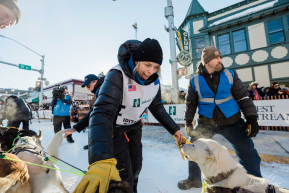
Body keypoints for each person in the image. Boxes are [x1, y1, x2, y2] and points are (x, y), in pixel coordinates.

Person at [74, 38, 183, 193]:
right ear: (137, 60)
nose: (151, 71)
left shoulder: (154, 82)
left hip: (135, 128)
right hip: (116, 130)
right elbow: (101, 112)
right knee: (123, 176)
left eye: (156, 67)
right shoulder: (117, 75)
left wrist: (174, 129)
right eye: (147, 64)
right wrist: (100, 159)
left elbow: (157, 107)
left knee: (136, 167)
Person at [178, 46, 262, 190]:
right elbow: (190, 103)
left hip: (232, 121)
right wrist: (188, 123)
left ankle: (255, 184)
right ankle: (194, 179)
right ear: (207, 62)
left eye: (220, 57)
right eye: (215, 58)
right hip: (206, 122)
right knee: (194, 147)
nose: (219, 60)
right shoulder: (194, 80)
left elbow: (243, 97)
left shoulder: (230, 75)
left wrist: (252, 119)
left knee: (248, 153)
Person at [63, 74, 105, 150]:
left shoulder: (104, 89)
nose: (87, 88)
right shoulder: (99, 91)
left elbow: (95, 110)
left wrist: (76, 128)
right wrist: (76, 128)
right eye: (85, 87)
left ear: (95, 82)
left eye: (88, 86)